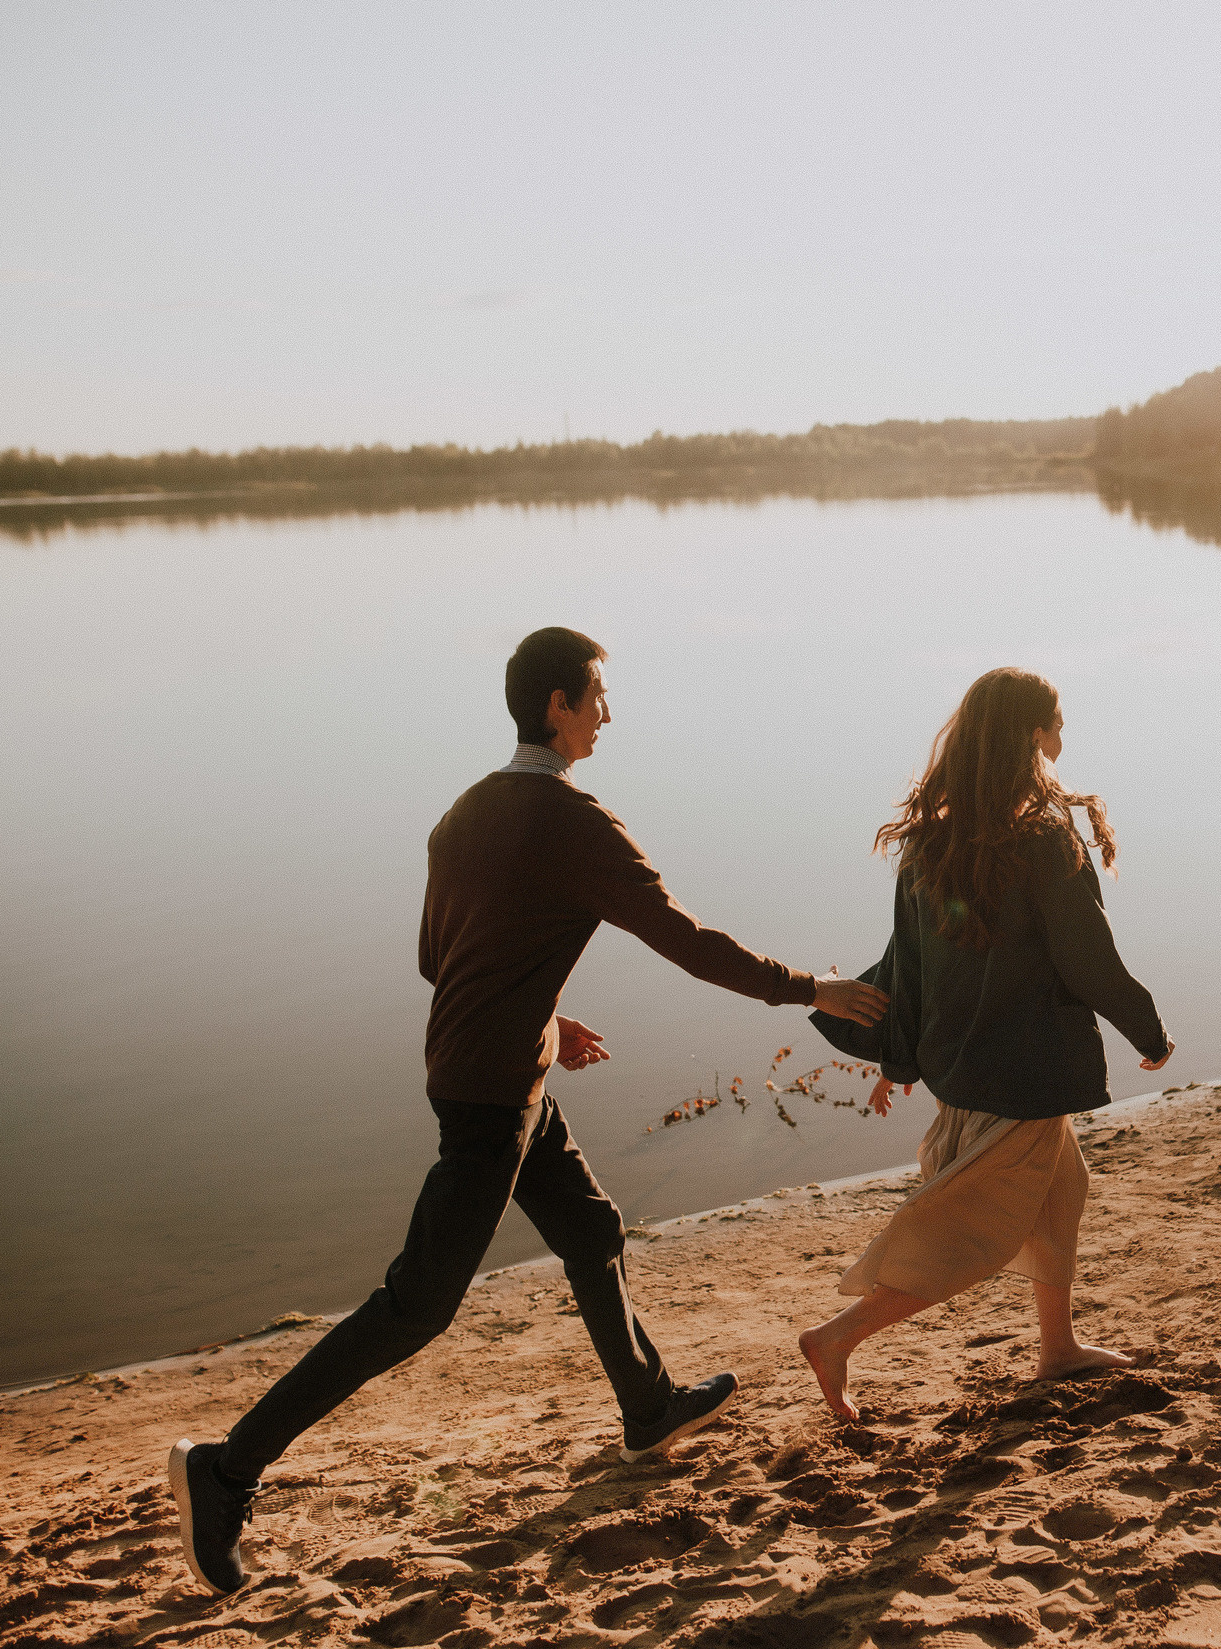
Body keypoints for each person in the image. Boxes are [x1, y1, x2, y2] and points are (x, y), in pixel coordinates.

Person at [169, 626, 889, 1596]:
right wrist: (812, 988)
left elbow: (440, 957)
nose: (607, 712)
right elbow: (686, 939)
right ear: (556, 704)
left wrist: (547, 1014)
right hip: (491, 1089)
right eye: (596, 693)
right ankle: (225, 1466)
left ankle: (648, 1403)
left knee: (590, 1226)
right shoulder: (575, 824)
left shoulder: (461, 813)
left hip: (492, 1065)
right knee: (416, 1305)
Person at [798, 667, 1173, 1423]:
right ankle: (836, 1338)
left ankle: (1058, 1348)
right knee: (972, 1236)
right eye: (1057, 724)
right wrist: (1148, 1030)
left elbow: (908, 964)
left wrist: (899, 1059)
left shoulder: (933, 841)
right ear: (1033, 736)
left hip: (966, 1066)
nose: (1064, 738)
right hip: (1025, 1070)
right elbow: (1086, 956)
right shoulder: (1041, 840)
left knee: (1061, 1193)